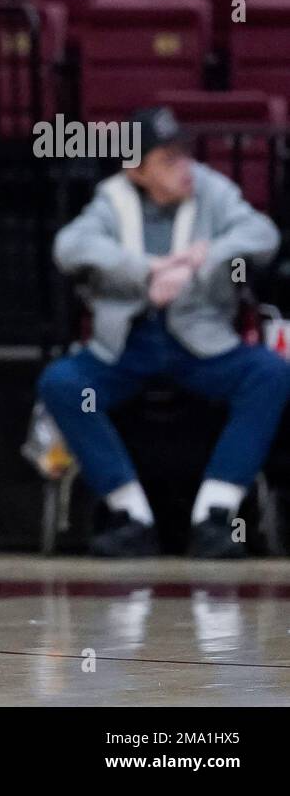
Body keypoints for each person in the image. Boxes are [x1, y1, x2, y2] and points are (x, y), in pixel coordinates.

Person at [38, 106, 289, 558]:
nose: (184, 167)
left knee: (270, 374)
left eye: (185, 154)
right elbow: (69, 246)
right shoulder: (112, 198)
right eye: (168, 160)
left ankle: (214, 514)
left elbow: (262, 233)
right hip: (128, 343)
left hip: (202, 340)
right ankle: (131, 514)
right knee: (62, 383)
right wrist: (146, 269)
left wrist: (201, 259)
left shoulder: (212, 190)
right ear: (136, 169)